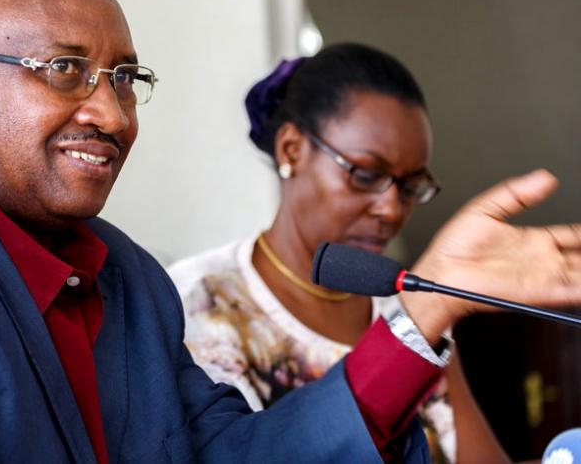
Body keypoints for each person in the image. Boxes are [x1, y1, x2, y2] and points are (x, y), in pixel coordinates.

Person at [0, 0, 580, 464]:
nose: (113, 114)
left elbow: (242, 454)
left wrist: (424, 310)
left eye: (124, 79)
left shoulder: (131, 280)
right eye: (65, 69)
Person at [168, 44, 509, 463]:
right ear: (291, 149)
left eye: (410, 187)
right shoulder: (195, 305)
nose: (391, 208)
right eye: (366, 175)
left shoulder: (407, 308)